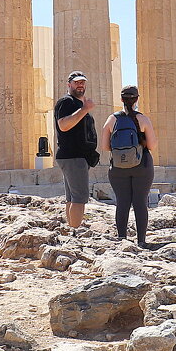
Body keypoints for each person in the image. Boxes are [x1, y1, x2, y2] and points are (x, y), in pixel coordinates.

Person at [101, 85, 159, 249]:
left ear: (121, 99)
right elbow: (152, 145)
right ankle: (141, 240)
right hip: (142, 165)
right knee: (140, 202)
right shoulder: (143, 119)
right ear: (137, 99)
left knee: (122, 202)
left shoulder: (112, 119)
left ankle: (121, 238)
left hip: (118, 167)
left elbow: (105, 147)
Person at [55, 71, 98, 229]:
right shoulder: (66, 102)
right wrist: (85, 109)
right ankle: (75, 232)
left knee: (72, 198)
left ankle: (72, 229)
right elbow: (63, 125)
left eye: (82, 82)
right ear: (69, 84)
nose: (80, 85)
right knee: (79, 198)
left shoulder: (78, 104)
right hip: (73, 156)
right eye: (76, 82)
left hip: (75, 156)